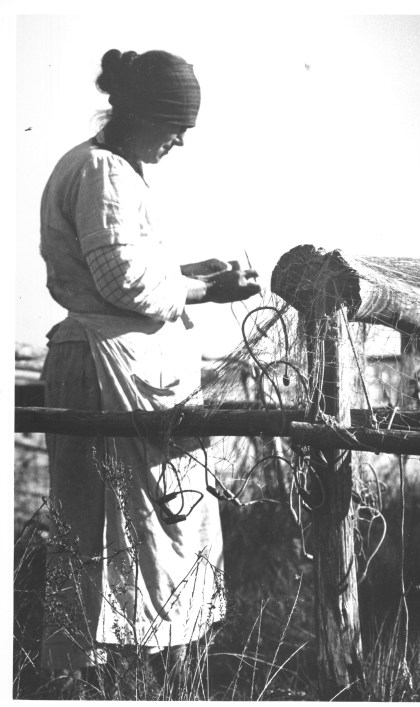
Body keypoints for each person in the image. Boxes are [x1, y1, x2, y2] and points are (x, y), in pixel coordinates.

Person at [39, 48, 260, 697]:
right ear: (137, 114)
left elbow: (124, 272)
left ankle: (132, 676)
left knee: (128, 526)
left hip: (122, 363)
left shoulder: (113, 170)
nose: (180, 137)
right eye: (173, 123)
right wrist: (205, 294)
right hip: (107, 369)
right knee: (111, 525)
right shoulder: (102, 171)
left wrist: (193, 273)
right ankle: (101, 680)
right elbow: (121, 279)